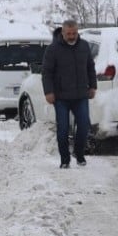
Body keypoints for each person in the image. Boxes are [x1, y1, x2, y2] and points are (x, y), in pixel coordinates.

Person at [41, 19, 97, 168]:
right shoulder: (53, 49)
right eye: (69, 34)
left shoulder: (84, 46)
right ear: (63, 33)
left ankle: (79, 154)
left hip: (81, 95)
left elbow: (90, 67)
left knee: (84, 126)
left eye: (74, 33)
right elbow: (46, 73)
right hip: (61, 97)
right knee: (63, 128)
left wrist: (93, 86)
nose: (72, 36)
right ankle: (65, 160)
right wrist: (48, 92)